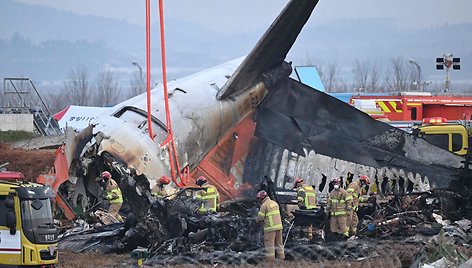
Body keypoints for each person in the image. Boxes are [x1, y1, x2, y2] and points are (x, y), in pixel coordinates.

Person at [255, 190, 285, 261]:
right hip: (279, 227)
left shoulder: (264, 205)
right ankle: (281, 258)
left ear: (261, 198)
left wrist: (256, 220)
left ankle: (270, 260)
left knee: (269, 245)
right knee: (279, 243)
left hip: (270, 228)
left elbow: (260, 218)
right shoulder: (274, 203)